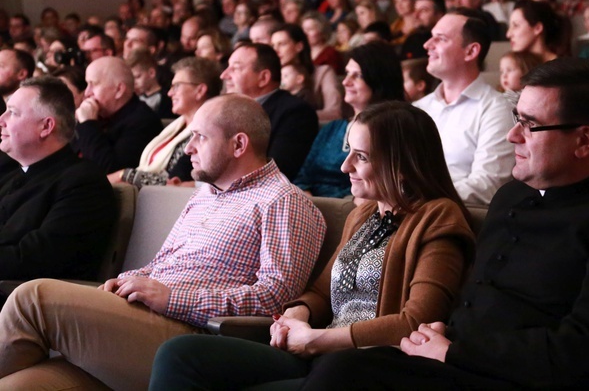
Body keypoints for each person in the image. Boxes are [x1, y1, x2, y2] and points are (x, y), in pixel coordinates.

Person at [297, 59, 589, 390]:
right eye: (516, 118)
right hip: (460, 363)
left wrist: (454, 350)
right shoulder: (511, 198)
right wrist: (441, 334)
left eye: (530, 125)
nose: (511, 135)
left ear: (584, 140)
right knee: (344, 369)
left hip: (527, 380)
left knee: (344, 373)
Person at [0, 94, 327, 389]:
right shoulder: (206, 195)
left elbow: (275, 300)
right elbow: (162, 264)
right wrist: (126, 280)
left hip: (190, 336)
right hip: (139, 319)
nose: (188, 148)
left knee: (33, 296)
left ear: (238, 144)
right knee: (23, 385)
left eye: (199, 136)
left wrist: (173, 299)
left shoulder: (282, 201)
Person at [149, 101, 476, 390]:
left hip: (366, 367)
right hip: (318, 356)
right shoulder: (363, 215)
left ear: (402, 164)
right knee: (180, 354)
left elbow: (413, 321)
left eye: (360, 157)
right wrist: (295, 314)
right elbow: (320, 293)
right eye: (348, 151)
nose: (345, 166)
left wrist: (317, 340)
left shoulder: (438, 218)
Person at [0, 76, 115, 285]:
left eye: (13, 113)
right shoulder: (12, 176)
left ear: (46, 126)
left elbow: (35, 259)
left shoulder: (83, 184)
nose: (1, 119)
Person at [416, 9, 515, 206]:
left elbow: (488, 185)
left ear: (471, 51)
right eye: (430, 37)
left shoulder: (496, 109)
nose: (427, 45)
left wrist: (419, 196)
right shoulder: (419, 108)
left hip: (454, 218)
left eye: (440, 39)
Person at [294, 42, 404, 198]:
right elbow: (302, 176)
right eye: (347, 73)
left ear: (379, 80)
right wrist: (309, 201)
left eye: (357, 75)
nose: (345, 82)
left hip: (355, 211)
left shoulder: (393, 131)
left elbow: (378, 187)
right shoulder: (332, 128)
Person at [111, 58, 223, 187]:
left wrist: (125, 175)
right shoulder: (177, 126)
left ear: (200, 90)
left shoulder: (206, 133)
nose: (170, 93)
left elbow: (175, 180)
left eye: (176, 86)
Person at [221, 43, 318, 180]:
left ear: (263, 78)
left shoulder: (296, 113)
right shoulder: (224, 109)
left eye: (235, 68)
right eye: (227, 68)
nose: (224, 75)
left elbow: (277, 170)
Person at [73, 57, 163, 173]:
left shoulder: (143, 122)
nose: (87, 92)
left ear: (119, 90)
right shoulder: (96, 114)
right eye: (87, 84)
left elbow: (110, 170)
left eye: (94, 84)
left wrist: (88, 125)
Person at [271, 24, 342, 122]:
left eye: (282, 44)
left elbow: (335, 113)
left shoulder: (324, 72)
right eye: (273, 45)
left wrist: (293, 116)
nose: (276, 50)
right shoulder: (272, 77)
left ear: (299, 46)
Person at [127, 49, 174, 118]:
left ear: (151, 73)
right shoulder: (135, 97)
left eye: (137, 77)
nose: (134, 83)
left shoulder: (165, 98)